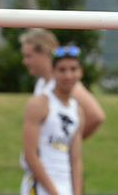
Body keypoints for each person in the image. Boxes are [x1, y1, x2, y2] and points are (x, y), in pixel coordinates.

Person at [21, 44, 86, 195]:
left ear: (80, 72)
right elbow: (30, 155)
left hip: (66, 186)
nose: (68, 75)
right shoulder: (40, 104)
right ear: (53, 72)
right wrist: (53, 192)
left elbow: (76, 159)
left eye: (73, 69)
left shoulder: (77, 111)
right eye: (62, 70)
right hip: (41, 186)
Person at [20, 29, 105, 139]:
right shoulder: (41, 82)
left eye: (28, 56)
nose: (25, 61)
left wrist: (68, 144)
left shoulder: (65, 84)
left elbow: (96, 116)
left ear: (45, 54)